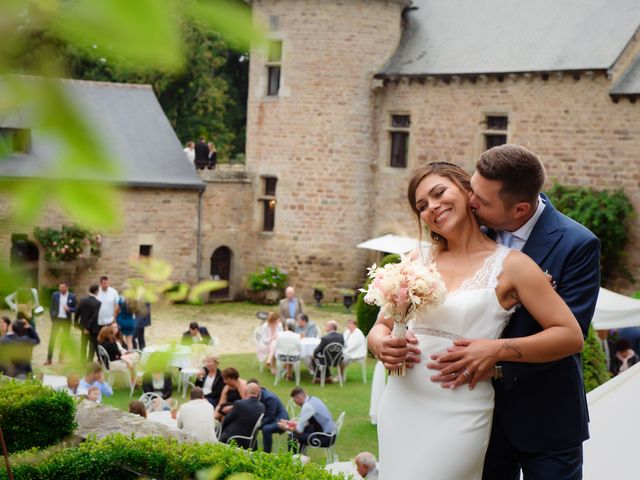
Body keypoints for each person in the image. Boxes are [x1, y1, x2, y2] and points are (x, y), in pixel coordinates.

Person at [367, 159, 588, 479]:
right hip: (401, 406)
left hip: (460, 412)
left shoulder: (514, 266)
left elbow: (569, 335)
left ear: (467, 189)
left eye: (439, 192)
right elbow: (381, 327)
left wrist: (495, 350)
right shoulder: (415, 260)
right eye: (422, 205)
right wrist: (380, 344)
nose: (432, 206)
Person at [277, 387, 335, 454]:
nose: (296, 404)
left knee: (292, 436)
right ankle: (302, 456)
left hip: (325, 438)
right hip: (330, 433)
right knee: (305, 431)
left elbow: (299, 430)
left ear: (299, 397)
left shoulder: (307, 407)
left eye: (295, 401)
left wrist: (286, 427)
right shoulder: (313, 399)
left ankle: (293, 460)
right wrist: (290, 423)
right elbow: (306, 423)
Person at [248, 379, 289, 453]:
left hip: (279, 420)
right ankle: (251, 448)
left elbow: (271, 416)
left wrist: (258, 425)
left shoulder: (269, 398)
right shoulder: (253, 395)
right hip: (268, 418)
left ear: (259, 389)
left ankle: (266, 453)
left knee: (266, 429)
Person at [220, 382, 265, 449]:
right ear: (258, 393)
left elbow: (227, 420)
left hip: (234, 439)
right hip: (250, 441)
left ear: (246, 391)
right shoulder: (262, 407)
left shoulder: (239, 404)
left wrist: (221, 430)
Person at [45, 280, 77, 365]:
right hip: (57, 319)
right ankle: (49, 359)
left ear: (67, 287)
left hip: (66, 320)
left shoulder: (72, 296)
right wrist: (52, 317)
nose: (61, 289)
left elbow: (76, 308)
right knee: (52, 339)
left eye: (62, 287)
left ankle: (61, 358)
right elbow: (51, 307)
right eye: (60, 287)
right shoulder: (55, 295)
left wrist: (69, 309)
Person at [75, 284, 102, 362]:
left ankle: (82, 362)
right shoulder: (98, 303)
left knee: (83, 345)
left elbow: (77, 312)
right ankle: (89, 361)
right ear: (96, 291)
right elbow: (94, 317)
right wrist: (88, 328)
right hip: (93, 329)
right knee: (92, 346)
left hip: (83, 327)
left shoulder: (83, 300)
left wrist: (76, 323)